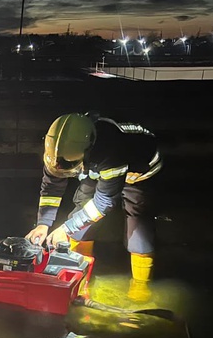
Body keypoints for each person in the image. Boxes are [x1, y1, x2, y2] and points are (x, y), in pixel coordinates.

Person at [25, 112, 163, 301]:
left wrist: (66, 229)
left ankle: (141, 284)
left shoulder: (110, 150)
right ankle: (80, 276)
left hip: (139, 171)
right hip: (96, 168)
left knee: (138, 219)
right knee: (82, 209)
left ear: (87, 153)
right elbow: (51, 188)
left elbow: (104, 202)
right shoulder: (58, 152)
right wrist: (43, 223)